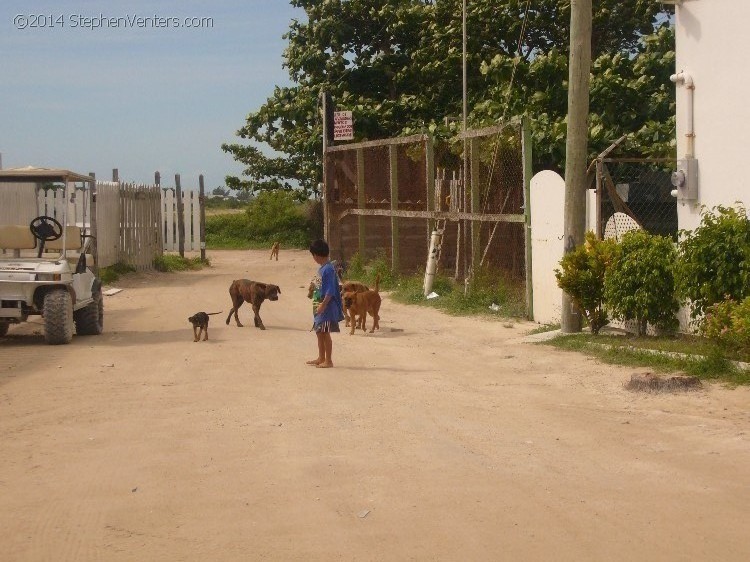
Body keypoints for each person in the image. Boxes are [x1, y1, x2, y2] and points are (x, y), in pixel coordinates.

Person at [307, 239, 344, 368]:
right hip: (319, 306)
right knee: (319, 332)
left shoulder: (328, 269)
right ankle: (321, 357)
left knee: (325, 332)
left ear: (316, 255)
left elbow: (330, 290)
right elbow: (318, 285)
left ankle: (328, 360)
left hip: (326, 307)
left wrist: (323, 305)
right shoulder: (323, 269)